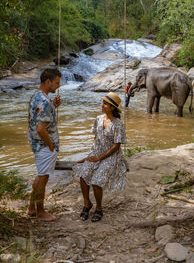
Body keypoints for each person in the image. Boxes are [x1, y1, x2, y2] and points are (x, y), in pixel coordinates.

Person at [73, 92, 127, 222]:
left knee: (97, 180)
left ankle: (99, 208)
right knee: (83, 174)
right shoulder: (98, 119)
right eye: (103, 103)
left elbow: (116, 146)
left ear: (112, 107)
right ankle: (87, 204)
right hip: (96, 153)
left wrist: (100, 158)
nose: (102, 105)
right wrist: (89, 156)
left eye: (105, 104)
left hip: (111, 155)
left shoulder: (118, 124)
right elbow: (96, 138)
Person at [28, 68, 61, 222]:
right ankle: (41, 212)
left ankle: (31, 208)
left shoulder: (36, 96)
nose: (58, 86)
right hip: (44, 146)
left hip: (36, 144)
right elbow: (41, 128)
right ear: (48, 82)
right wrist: (51, 145)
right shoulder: (44, 101)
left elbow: (39, 118)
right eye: (56, 82)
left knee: (40, 176)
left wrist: (53, 106)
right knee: (43, 178)